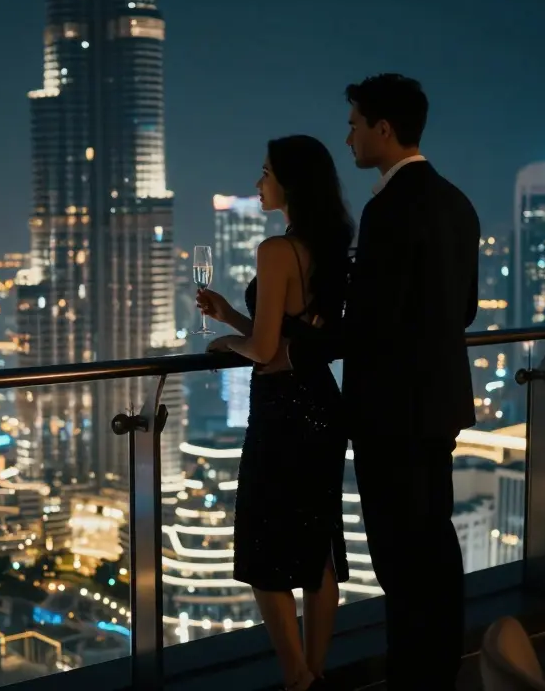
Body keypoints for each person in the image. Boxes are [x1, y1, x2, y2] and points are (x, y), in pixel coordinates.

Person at [196, 135, 354, 691]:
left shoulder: (276, 250)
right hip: (321, 404)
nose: (258, 183)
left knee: (265, 552)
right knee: (317, 548)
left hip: (282, 410)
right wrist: (232, 318)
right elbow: (290, 339)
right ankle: (315, 673)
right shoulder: (328, 247)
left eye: (265, 173)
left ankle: (296, 680)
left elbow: (264, 351)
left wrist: (225, 344)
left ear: (290, 182)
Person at [339, 73, 480, 688]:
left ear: (384, 128)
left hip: (389, 412)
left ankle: (412, 677)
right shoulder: (457, 202)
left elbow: (370, 321)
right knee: (434, 543)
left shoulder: (386, 210)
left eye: (354, 124)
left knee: (398, 558)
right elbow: (465, 309)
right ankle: (440, 669)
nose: (348, 137)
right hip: (439, 403)